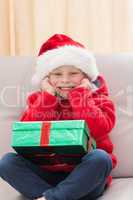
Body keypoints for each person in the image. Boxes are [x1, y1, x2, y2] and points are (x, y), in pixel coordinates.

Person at [0, 34, 117, 200]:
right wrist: (48, 97)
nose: (66, 80)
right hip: (46, 176)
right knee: (7, 162)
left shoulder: (99, 100)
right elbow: (26, 134)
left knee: (101, 158)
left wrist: (80, 96)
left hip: (85, 178)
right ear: (46, 79)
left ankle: (50, 197)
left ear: (86, 76)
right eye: (57, 74)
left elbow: (99, 129)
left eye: (73, 73)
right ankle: (58, 196)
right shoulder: (38, 100)